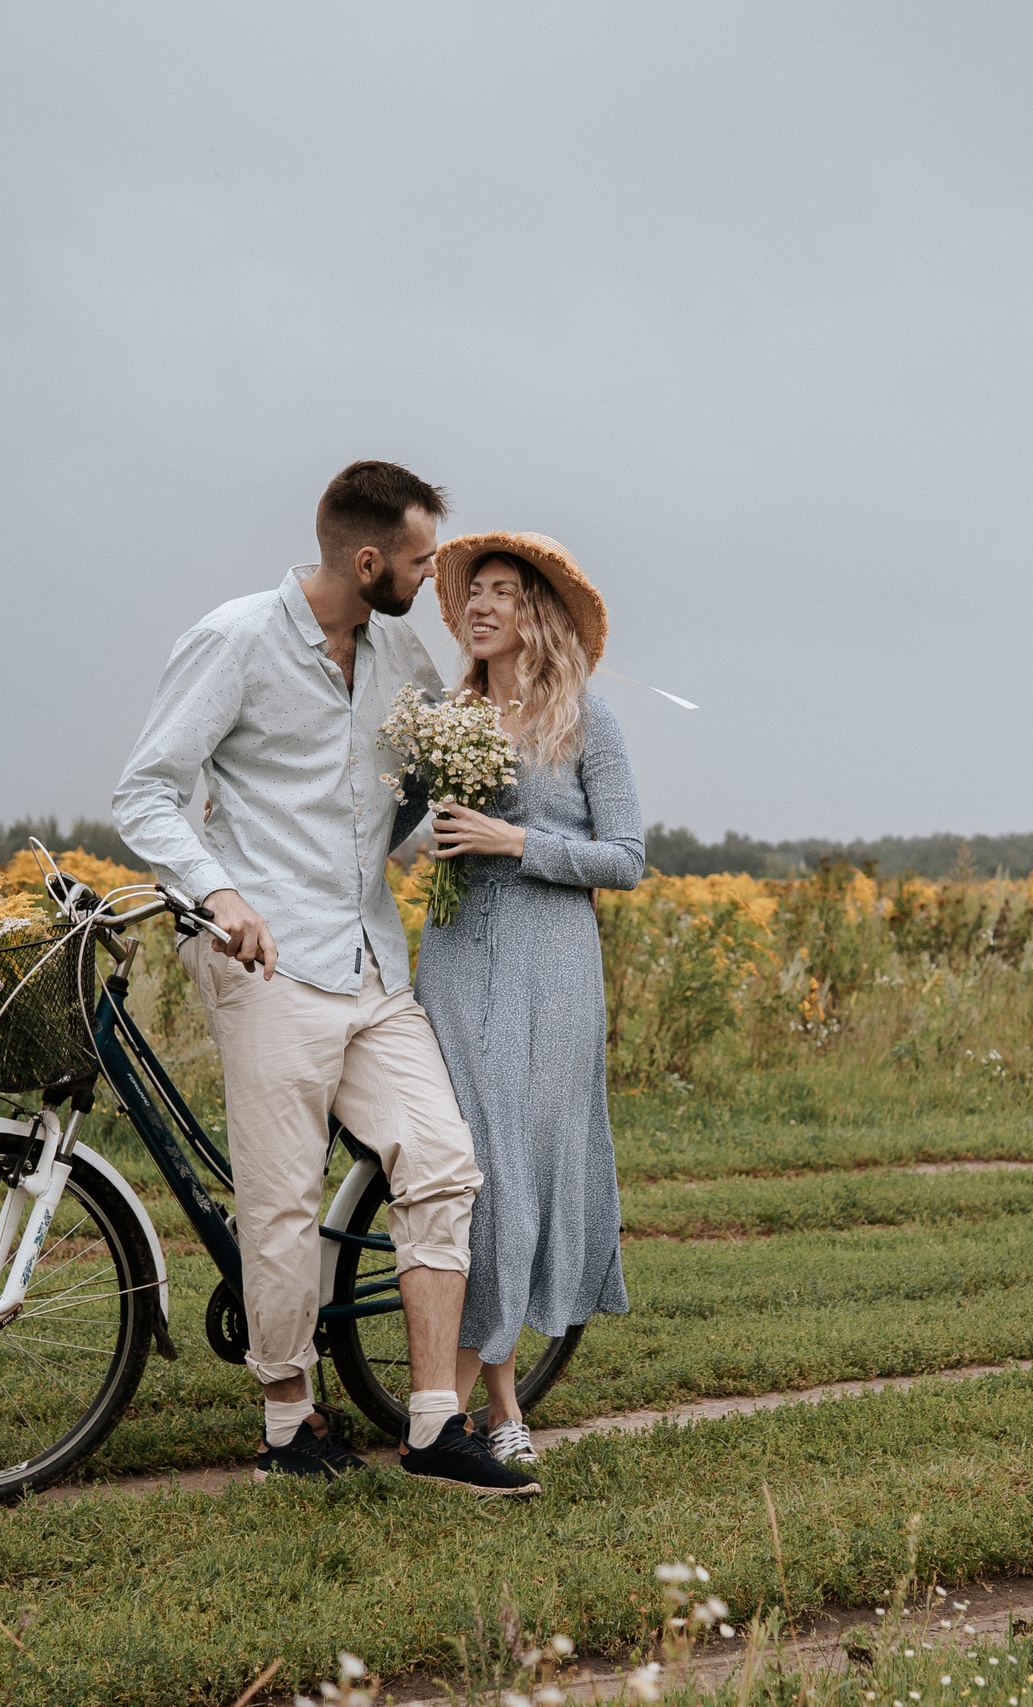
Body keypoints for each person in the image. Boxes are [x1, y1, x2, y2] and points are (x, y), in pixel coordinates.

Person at [113, 462, 538, 1497]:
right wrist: (221, 895)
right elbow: (145, 793)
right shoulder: (236, 640)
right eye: (421, 558)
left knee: (441, 1163)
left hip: (372, 964)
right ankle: (286, 1421)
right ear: (367, 561)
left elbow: (425, 772)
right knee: (280, 1202)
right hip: (268, 964)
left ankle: (435, 1422)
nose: (433, 576)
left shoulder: (397, 650)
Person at [409, 532, 644, 1467]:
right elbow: (401, 831)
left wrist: (516, 843)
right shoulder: (448, 715)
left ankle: (454, 1412)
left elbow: (626, 859)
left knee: (512, 1177)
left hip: (550, 969)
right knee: (467, 1175)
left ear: (536, 613)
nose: (481, 605)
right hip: (459, 960)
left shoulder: (588, 721)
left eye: (502, 591)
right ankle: (490, 1410)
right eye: (474, 592)